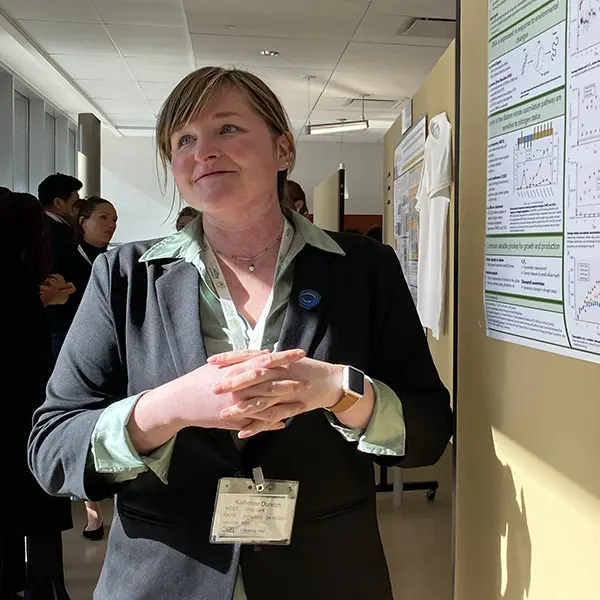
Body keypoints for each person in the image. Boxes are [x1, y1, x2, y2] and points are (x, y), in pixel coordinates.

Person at [29, 66, 452, 600]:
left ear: (283, 150)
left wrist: (338, 392)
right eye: (183, 139)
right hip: (164, 578)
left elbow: (430, 429)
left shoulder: (364, 269)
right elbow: (52, 447)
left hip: (326, 573)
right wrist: (166, 408)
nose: (203, 150)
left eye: (227, 129)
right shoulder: (124, 277)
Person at [0, 193, 73, 600]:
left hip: (15, 410)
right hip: (26, 411)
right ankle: (45, 586)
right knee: (36, 503)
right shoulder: (21, 278)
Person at [55, 196, 119, 541]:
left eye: (115, 219)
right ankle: (92, 513)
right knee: (85, 424)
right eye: (104, 217)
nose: (111, 224)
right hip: (75, 354)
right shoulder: (66, 259)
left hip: (114, 358)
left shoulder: (117, 261)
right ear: (83, 222)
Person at [37, 173, 83, 356]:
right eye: (75, 202)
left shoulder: (43, 227)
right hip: (58, 319)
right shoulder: (59, 233)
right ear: (58, 203)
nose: (79, 209)